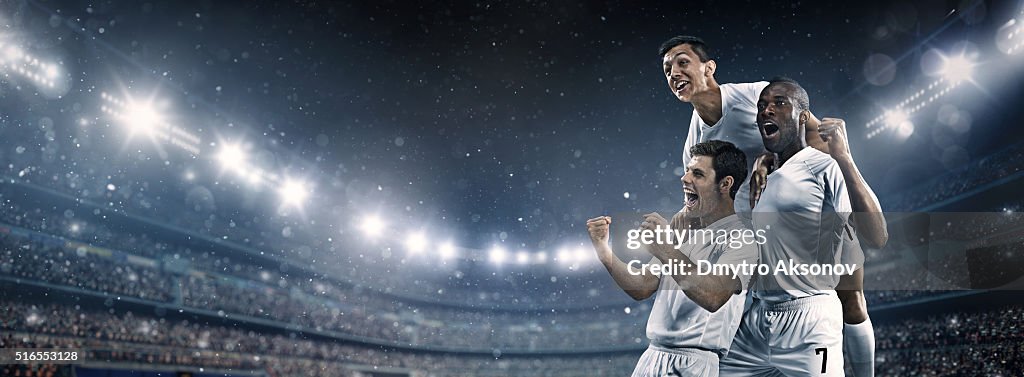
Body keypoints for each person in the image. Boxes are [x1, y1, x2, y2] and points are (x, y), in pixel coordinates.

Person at [587, 140, 758, 377]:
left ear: (725, 184)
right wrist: (603, 250)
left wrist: (665, 249)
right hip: (652, 356)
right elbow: (642, 287)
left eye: (697, 173)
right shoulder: (684, 229)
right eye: (687, 170)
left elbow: (713, 296)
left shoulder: (742, 238)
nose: (685, 178)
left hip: (692, 363)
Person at [719, 78, 850, 376]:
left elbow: (865, 230)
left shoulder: (824, 165)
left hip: (809, 318)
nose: (766, 110)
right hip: (759, 317)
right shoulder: (763, 176)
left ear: (802, 117)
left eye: (779, 103)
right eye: (762, 106)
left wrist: (844, 156)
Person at [750, 117, 888, 377]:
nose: (767, 109)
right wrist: (765, 160)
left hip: (829, 208)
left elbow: (819, 141)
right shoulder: (741, 121)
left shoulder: (806, 121)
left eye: (776, 102)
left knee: (852, 300)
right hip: (790, 215)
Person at [659, 35, 768, 222]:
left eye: (683, 63)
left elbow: (813, 136)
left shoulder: (757, 96)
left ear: (709, 68)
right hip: (750, 233)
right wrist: (684, 214)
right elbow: (698, 201)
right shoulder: (694, 149)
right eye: (668, 71)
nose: (674, 74)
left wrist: (773, 159)